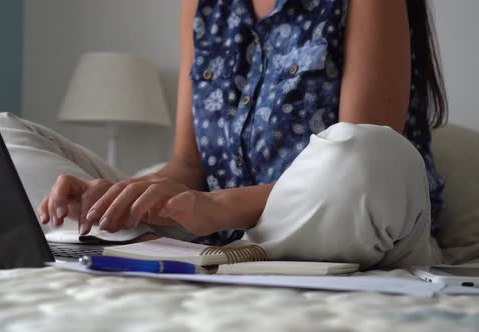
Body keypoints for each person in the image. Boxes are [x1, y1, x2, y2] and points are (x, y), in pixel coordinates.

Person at [37, 0, 448, 269]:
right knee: (7, 134)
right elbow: (189, 164)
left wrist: (218, 206)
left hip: (346, 220)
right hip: (219, 232)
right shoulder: (202, 7)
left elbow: (363, 157)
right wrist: (115, 198)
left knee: (362, 152)